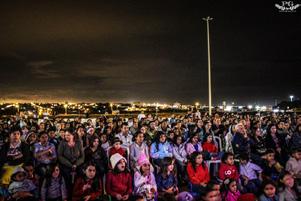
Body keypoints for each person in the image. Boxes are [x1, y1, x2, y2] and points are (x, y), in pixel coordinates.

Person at [57, 128, 85, 198]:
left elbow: (82, 156)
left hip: (77, 165)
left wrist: (76, 164)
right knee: (67, 178)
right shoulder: (62, 143)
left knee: (81, 176)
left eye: (68, 135)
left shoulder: (79, 142)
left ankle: (79, 194)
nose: (66, 136)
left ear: (73, 135)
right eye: (65, 135)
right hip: (66, 165)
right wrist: (70, 165)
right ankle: (69, 195)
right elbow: (60, 156)